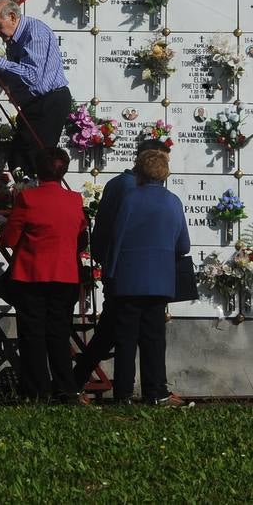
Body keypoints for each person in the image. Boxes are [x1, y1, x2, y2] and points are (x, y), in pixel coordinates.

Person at [74, 138, 171, 389]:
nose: (163, 167)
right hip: (128, 274)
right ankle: (136, 389)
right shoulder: (134, 189)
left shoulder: (117, 183)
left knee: (110, 331)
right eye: (160, 160)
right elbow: (121, 233)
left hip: (118, 270)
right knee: (131, 335)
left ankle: (76, 380)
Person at [0, 147, 86, 403]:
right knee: (59, 334)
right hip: (65, 275)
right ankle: (65, 388)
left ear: (38, 170)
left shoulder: (28, 199)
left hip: (31, 276)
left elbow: (10, 238)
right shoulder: (75, 200)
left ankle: (36, 390)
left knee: (33, 335)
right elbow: (79, 236)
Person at [105, 148, 190, 405]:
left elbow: (116, 238)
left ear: (139, 171)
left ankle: (123, 394)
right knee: (154, 339)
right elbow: (183, 246)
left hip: (128, 279)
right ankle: (156, 392)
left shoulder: (130, 198)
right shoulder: (173, 202)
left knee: (126, 339)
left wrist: (109, 272)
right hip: (160, 282)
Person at [0, 0, 73, 178]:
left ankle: (39, 199)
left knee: (35, 160)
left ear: (12, 17)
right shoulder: (15, 38)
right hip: (34, 104)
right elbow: (18, 76)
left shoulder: (34, 33)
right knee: (18, 158)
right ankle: (27, 198)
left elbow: (33, 76)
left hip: (49, 102)